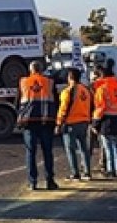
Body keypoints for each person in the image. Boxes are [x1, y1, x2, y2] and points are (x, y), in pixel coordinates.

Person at [18, 60, 58, 191]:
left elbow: (18, 102)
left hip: (29, 122)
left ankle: (32, 182)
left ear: (31, 70)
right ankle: (50, 181)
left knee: (30, 152)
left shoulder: (23, 82)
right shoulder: (50, 82)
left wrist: (19, 120)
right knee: (47, 152)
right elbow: (56, 101)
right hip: (46, 122)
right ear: (41, 70)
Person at [55, 67, 93, 181]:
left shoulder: (67, 92)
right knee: (84, 148)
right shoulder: (86, 90)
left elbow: (63, 109)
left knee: (70, 149)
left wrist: (58, 123)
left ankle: (75, 173)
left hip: (71, 123)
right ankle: (87, 172)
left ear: (70, 77)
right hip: (84, 122)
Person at [91, 65, 117, 177]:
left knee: (108, 147)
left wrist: (95, 123)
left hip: (106, 121)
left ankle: (111, 170)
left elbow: (100, 108)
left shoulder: (102, 89)